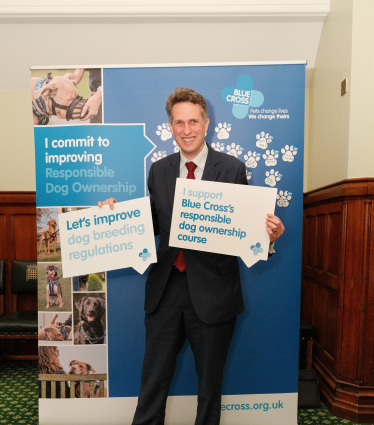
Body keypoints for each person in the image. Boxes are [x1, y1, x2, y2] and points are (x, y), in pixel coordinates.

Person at [98, 87, 284, 425]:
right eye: (179, 122)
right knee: (152, 383)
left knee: (210, 387)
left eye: (193, 121)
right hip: (165, 291)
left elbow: (244, 229)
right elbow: (153, 222)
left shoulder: (231, 168)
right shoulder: (159, 170)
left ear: (207, 123)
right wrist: (114, 217)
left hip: (214, 293)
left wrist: (267, 236)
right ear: (170, 126)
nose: (187, 129)